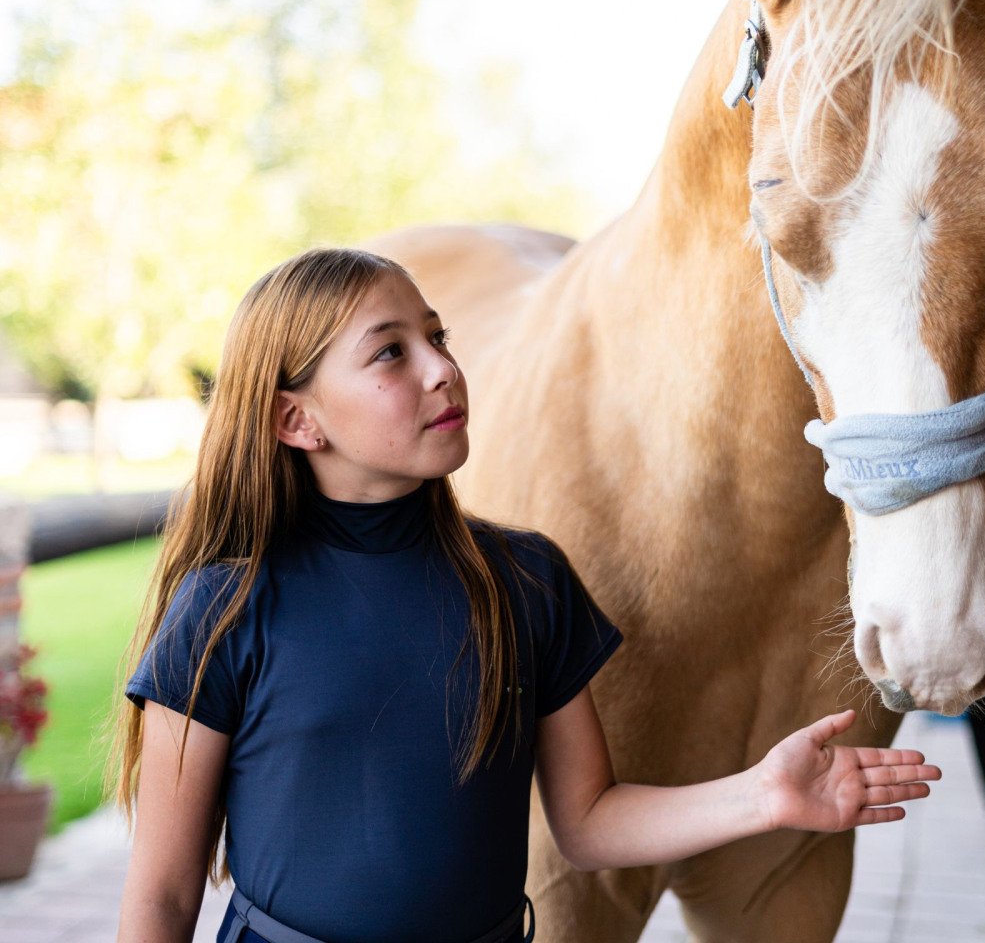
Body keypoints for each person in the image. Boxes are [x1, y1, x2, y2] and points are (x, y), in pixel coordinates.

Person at [110, 247, 940, 943]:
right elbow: (163, 897)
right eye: (391, 351)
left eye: (437, 336)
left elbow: (588, 822)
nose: (443, 369)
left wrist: (763, 795)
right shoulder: (223, 612)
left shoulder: (524, 580)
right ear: (298, 421)